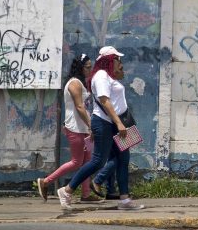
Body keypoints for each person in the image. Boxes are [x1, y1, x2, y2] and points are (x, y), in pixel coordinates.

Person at [56, 46, 144, 211]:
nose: (120, 61)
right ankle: (67, 191)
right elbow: (104, 101)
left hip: (119, 122)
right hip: (106, 123)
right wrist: (118, 123)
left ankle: (125, 200)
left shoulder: (109, 76)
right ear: (109, 60)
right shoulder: (101, 76)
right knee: (98, 161)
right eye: (117, 59)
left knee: (123, 160)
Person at [36, 54, 101, 202]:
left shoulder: (80, 82)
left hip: (82, 128)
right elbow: (79, 106)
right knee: (76, 162)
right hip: (76, 128)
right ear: (80, 67)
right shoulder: (74, 83)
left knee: (87, 162)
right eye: (87, 67)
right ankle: (45, 181)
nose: (90, 70)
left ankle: (85, 194)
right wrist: (91, 125)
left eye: (91, 67)